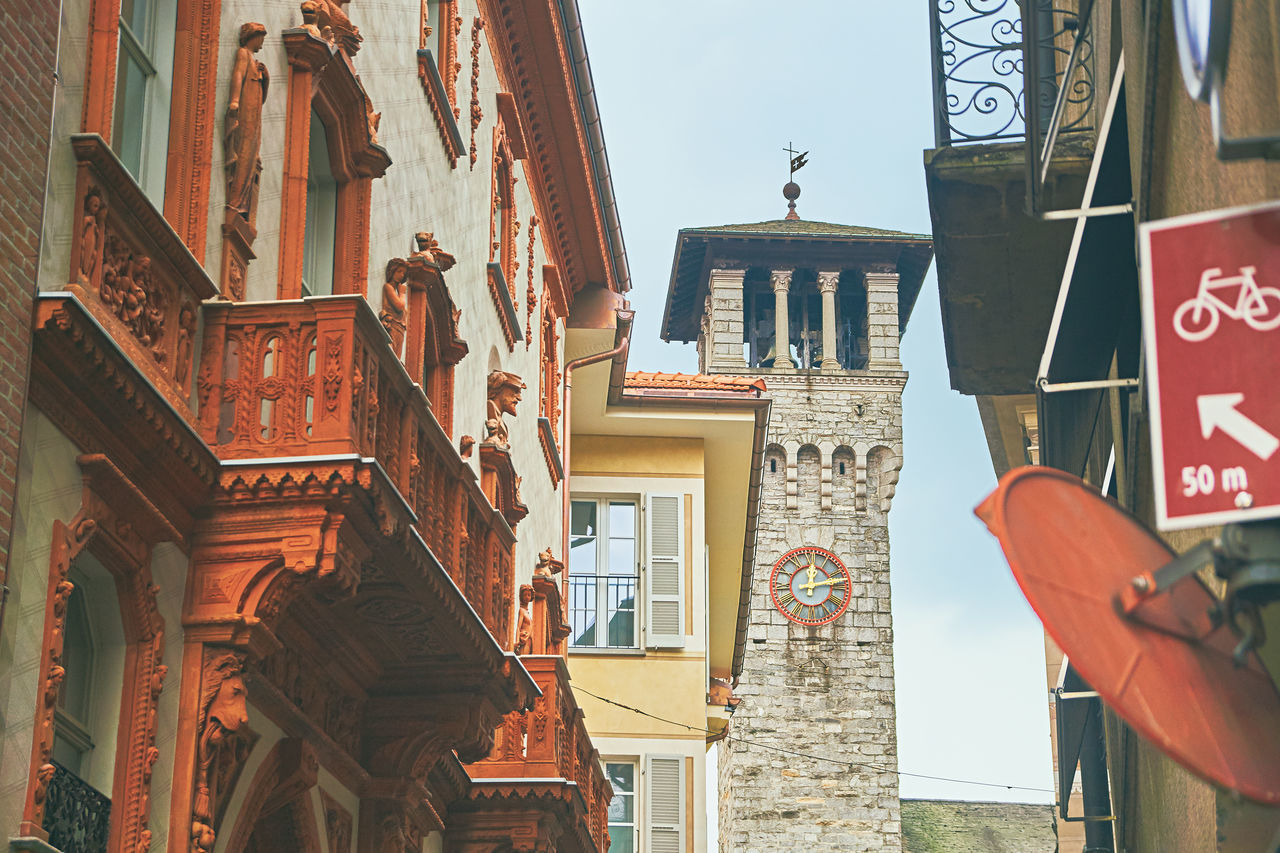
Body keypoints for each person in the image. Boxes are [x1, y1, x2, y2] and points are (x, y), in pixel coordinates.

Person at [224, 23, 269, 225]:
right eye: (261, 38)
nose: (262, 42)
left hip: (254, 112)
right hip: (245, 109)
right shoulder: (243, 54)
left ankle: (242, 201)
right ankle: (235, 199)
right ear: (254, 36)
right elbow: (238, 75)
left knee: (251, 151)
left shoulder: (256, 62)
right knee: (243, 150)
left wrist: (264, 77)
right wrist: (234, 99)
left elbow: (263, 97)